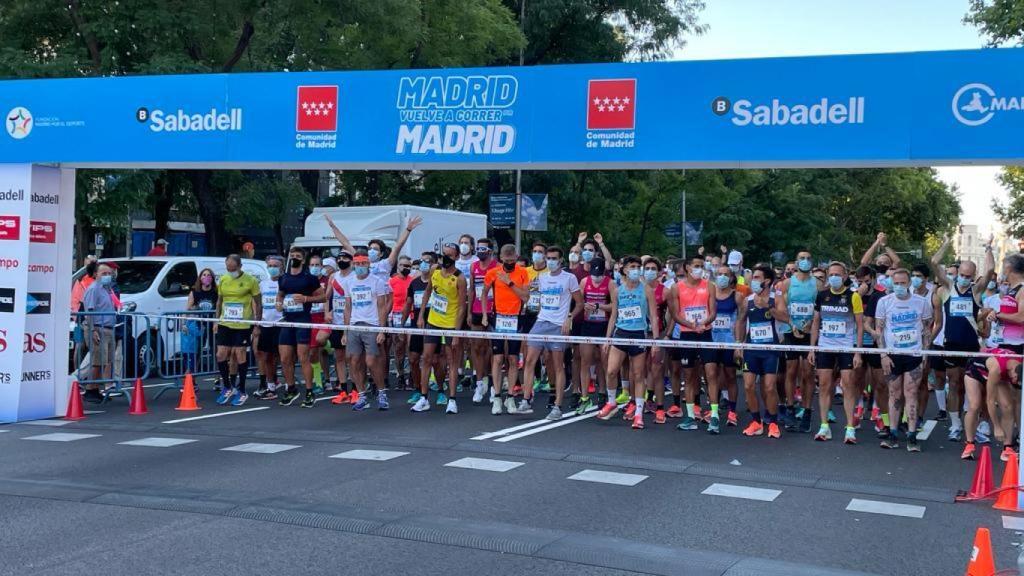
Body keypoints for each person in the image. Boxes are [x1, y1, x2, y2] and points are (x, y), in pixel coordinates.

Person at [930, 236, 991, 441]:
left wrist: (989, 247)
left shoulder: (975, 291)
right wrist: (946, 243)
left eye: (968, 275)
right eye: (962, 274)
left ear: (973, 276)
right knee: (954, 383)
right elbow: (934, 263)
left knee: (974, 386)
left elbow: (990, 270)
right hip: (952, 344)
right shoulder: (948, 288)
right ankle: (956, 425)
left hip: (971, 346)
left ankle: (974, 422)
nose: (964, 278)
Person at [517, 246, 582, 419]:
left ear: (561, 260)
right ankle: (525, 399)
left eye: (554, 258)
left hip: (558, 325)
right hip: (541, 321)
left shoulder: (570, 278)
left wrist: (569, 317)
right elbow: (533, 298)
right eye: (549, 258)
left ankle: (557, 407)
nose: (551, 261)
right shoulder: (541, 277)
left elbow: (579, 303)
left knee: (557, 364)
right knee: (529, 360)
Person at [597, 256, 660, 429]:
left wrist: (655, 341)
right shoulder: (618, 291)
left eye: (638, 267)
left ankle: (638, 414)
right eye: (632, 266)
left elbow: (654, 316)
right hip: (620, 334)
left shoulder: (646, 290)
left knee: (638, 375)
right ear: (624, 270)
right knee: (611, 371)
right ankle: (611, 402)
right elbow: (614, 316)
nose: (636, 270)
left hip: (639, 334)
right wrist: (607, 339)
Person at [875, 269, 933, 452]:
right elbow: (879, 331)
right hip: (892, 355)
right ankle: (892, 433)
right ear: (891, 283)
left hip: (913, 354)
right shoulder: (884, 302)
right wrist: (883, 355)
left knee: (911, 393)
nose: (899, 286)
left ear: (909, 283)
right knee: (894, 394)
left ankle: (911, 435)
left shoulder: (922, 303)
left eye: (903, 283)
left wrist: (925, 354)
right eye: (896, 283)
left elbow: (927, 330)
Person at [808, 261, 864, 443]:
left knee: (848, 385)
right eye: (831, 274)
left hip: (846, 346)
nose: (834, 278)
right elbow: (816, 322)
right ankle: (824, 426)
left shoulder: (853, 296)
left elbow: (860, 325)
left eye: (838, 275)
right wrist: (812, 347)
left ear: (845, 277)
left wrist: (858, 352)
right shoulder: (822, 295)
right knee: (824, 385)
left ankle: (850, 428)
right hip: (825, 346)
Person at [413, 243, 467, 413]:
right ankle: (424, 398)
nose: (446, 258)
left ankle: (452, 399)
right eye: (444, 254)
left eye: (450, 255)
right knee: (426, 358)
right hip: (433, 321)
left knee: (452, 361)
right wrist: (421, 315)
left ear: (457, 257)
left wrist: (457, 332)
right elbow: (428, 292)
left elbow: (461, 307)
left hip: (451, 323)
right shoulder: (435, 271)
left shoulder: (460, 278)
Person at [667, 255, 718, 431]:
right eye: (696, 266)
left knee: (711, 373)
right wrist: (691, 325)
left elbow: (713, 312)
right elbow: (675, 314)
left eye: (702, 266)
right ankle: (690, 416)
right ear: (687, 268)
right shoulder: (676, 288)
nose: (700, 269)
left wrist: (703, 324)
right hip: (687, 335)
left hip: (705, 333)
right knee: (688, 376)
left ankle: (715, 415)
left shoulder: (709, 285)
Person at [737, 265, 789, 438]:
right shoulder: (748, 300)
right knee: (748, 386)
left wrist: (769, 307)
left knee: (768, 387)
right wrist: (739, 344)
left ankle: (773, 423)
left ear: (767, 281)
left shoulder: (777, 297)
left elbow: (785, 317)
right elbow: (741, 321)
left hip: (771, 349)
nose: (754, 281)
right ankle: (755, 421)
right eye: (753, 278)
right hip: (751, 349)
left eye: (757, 278)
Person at [481, 244, 530, 415]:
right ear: (500, 258)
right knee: (497, 358)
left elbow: (525, 297)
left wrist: (509, 282)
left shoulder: (523, 272)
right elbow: (484, 293)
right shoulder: (492, 273)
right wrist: (485, 314)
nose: (509, 263)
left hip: (516, 319)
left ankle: (510, 397)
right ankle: (496, 396)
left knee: (513, 358)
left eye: (512, 260)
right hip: (497, 318)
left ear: (516, 257)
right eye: (506, 260)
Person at [776, 250, 821, 433]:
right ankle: (790, 408)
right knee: (791, 371)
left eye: (808, 258)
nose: (805, 261)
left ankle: (808, 411)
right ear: (796, 262)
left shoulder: (817, 284)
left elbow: (821, 308)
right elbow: (780, 308)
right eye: (801, 258)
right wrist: (791, 324)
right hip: (790, 331)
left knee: (808, 372)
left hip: (810, 331)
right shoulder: (787, 283)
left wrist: (812, 324)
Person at [341, 253, 391, 411]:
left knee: (371, 361)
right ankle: (362, 395)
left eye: (363, 263)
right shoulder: (348, 282)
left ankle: (382, 393)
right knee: (354, 361)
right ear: (353, 265)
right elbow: (347, 307)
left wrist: (381, 330)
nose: (360, 266)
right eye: (357, 264)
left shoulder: (378, 281)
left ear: (368, 264)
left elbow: (382, 307)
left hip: (372, 325)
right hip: (355, 325)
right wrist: (345, 331)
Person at [275, 247, 324, 408]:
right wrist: (278, 303)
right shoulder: (284, 278)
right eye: (292, 256)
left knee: (303, 357)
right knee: (284, 358)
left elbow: (323, 296)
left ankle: (309, 391)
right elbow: (281, 293)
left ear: (303, 260)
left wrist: (306, 298)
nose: (294, 258)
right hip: (288, 321)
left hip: (303, 321)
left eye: (297, 256)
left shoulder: (309, 278)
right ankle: (291, 388)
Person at [214, 254, 262, 407]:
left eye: (233, 268)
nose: (230, 271)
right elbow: (219, 301)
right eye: (228, 268)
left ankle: (242, 389)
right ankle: (228, 386)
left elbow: (258, 303)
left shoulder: (251, 281)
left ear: (240, 266)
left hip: (242, 324)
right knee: (221, 354)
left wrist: (256, 324)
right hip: (225, 322)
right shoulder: (223, 279)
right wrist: (216, 320)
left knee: (239, 353)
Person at [854, 265, 890, 438]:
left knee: (880, 383)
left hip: (876, 344)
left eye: (867, 282)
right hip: (857, 342)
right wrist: (858, 295)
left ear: (874, 279)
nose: (864, 285)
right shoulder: (853, 295)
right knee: (857, 380)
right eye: (860, 282)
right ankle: (858, 410)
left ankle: (882, 416)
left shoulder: (881, 295)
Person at [707, 264, 744, 429]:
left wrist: (738, 344)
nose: (722, 277)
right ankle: (714, 411)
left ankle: (732, 411)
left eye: (725, 274)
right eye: (719, 274)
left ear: (731, 278)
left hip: (729, 341)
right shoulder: (710, 294)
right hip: (712, 341)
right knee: (712, 375)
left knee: (730, 376)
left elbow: (741, 322)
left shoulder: (737, 296)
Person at [576, 257, 612, 415]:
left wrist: (599, 306)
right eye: (594, 274)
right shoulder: (584, 282)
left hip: (603, 325)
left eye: (599, 275)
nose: (596, 278)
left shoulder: (610, 283)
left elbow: (614, 306)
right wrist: (584, 306)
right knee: (585, 360)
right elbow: (578, 301)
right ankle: (584, 397)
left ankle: (603, 393)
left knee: (603, 361)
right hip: (588, 324)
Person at [404, 252, 438, 407]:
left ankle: (440, 391)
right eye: (422, 261)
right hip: (416, 323)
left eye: (428, 261)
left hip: (435, 324)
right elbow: (408, 303)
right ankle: (418, 389)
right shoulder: (414, 283)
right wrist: (401, 323)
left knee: (433, 360)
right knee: (413, 358)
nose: (424, 264)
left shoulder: (438, 282)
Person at [81, 263, 118, 403]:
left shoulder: (106, 289)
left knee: (104, 361)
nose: (107, 276)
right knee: (97, 361)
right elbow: (89, 311)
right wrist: (92, 330)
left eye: (109, 274)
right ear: (96, 274)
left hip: (107, 327)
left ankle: (95, 389)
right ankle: (90, 389)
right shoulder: (93, 289)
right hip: (97, 328)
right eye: (104, 274)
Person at [468, 238, 498, 403]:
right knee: (477, 348)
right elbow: (471, 290)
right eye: (478, 248)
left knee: (494, 349)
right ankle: (480, 383)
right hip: (477, 310)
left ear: (490, 251)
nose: (480, 251)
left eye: (483, 249)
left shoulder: (497, 267)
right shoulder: (474, 267)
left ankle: (494, 385)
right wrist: (469, 312)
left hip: (494, 311)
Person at [325, 251, 355, 404]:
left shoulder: (355, 277)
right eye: (339, 258)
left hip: (351, 322)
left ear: (351, 261)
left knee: (353, 358)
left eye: (345, 258)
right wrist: (326, 313)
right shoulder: (333, 277)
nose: (342, 260)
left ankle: (357, 389)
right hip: (336, 321)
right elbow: (327, 297)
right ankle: (343, 389)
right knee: (339, 356)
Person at [254, 256, 284, 400]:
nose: (272, 268)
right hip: (266, 325)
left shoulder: (285, 283)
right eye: (270, 265)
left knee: (284, 357)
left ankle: (290, 385)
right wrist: (257, 324)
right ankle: (270, 386)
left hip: (281, 324)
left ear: (281, 268)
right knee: (266, 357)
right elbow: (258, 305)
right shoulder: (263, 284)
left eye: (275, 266)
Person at [183, 267, 217, 376]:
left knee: (216, 353)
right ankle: (191, 380)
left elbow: (220, 307)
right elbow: (188, 309)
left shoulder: (216, 292)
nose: (206, 277)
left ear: (212, 278)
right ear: (200, 278)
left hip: (213, 326)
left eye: (209, 275)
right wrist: (184, 323)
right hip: (199, 326)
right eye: (204, 275)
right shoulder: (195, 292)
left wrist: (217, 323)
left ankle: (218, 379)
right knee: (196, 353)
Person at [389, 256, 415, 390]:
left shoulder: (413, 280)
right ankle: (400, 375)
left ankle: (411, 376)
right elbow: (389, 301)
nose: (405, 268)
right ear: (398, 266)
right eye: (403, 265)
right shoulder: (392, 282)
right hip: (397, 316)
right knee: (399, 347)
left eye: (408, 266)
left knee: (410, 347)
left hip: (411, 315)